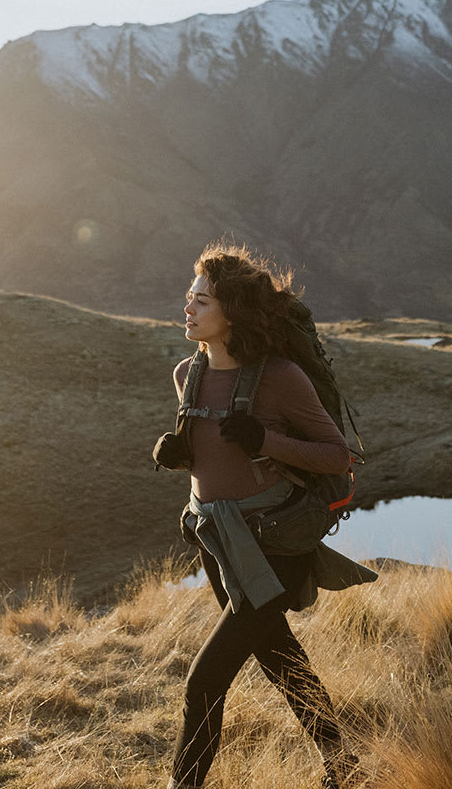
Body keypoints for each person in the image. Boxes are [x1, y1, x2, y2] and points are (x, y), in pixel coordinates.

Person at [153, 243, 373, 789]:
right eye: (190, 298)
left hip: (275, 543)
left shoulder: (280, 378)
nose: (188, 308)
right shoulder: (188, 373)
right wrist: (180, 454)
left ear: (231, 311)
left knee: (203, 683)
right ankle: (341, 759)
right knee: (278, 656)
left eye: (200, 301)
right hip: (215, 539)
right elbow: (214, 460)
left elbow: (336, 455)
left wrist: (267, 440)